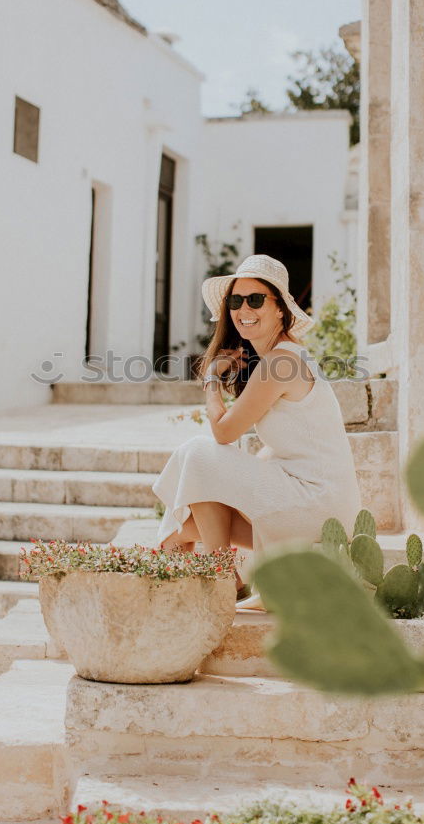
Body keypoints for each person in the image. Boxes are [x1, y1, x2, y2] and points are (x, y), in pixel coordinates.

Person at [152, 254, 362, 609]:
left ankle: (220, 579)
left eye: (255, 299)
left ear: (281, 308)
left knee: (199, 453)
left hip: (318, 503)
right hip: (313, 500)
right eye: (235, 300)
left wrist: (211, 380)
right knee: (178, 530)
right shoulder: (277, 359)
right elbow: (257, 449)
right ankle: (192, 586)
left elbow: (222, 434)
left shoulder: (282, 362)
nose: (243, 309)